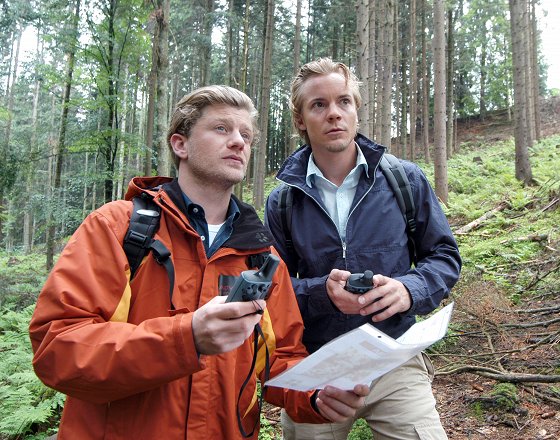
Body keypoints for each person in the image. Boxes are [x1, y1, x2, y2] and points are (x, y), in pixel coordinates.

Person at [29, 85, 369, 440]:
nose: (238, 142)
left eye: (246, 135)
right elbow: (57, 345)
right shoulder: (118, 228)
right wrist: (184, 338)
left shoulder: (262, 256)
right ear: (181, 145)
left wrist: (317, 395)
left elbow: (279, 359)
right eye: (222, 129)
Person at [264, 58, 462, 439]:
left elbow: (444, 256)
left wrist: (409, 290)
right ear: (301, 120)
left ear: (356, 110)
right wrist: (321, 292)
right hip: (318, 366)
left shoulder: (403, 179)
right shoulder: (283, 203)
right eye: (318, 105)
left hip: (395, 355)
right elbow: (274, 289)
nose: (334, 113)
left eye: (344, 102)